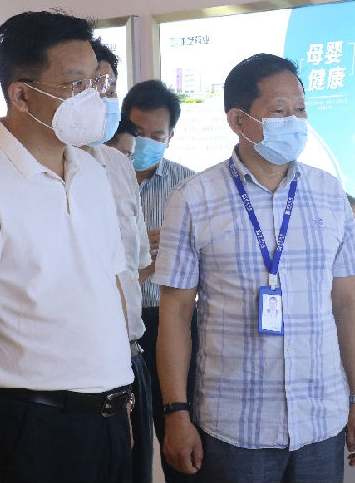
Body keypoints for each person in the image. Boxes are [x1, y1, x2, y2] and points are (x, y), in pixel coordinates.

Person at [0, 10, 134, 483]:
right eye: (76, 85)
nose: (93, 98)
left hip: (106, 415)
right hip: (34, 424)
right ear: (21, 95)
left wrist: (120, 395)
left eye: (97, 84)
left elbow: (110, 289)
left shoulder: (92, 173)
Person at [156, 53, 355, 483]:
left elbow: (348, 302)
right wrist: (175, 412)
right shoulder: (194, 198)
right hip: (235, 426)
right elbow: (176, 314)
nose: (294, 121)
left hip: (321, 420)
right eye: (279, 111)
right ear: (239, 121)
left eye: (300, 109)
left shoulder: (329, 192)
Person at [121, 78, 198, 483]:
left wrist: (165, 258)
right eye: (138, 132)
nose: (146, 143)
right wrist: (141, 261)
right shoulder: (96, 178)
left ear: (171, 137)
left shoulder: (190, 186)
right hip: (116, 325)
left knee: (179, 433)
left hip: (172, 320)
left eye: (157, 135)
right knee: (125, 442)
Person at [88, 37, 156, 483]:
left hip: (130, 356)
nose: (104, 96)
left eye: (110, 86)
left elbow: (135, 267)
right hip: (74, 369)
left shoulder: (117, 167)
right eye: (90, 84)